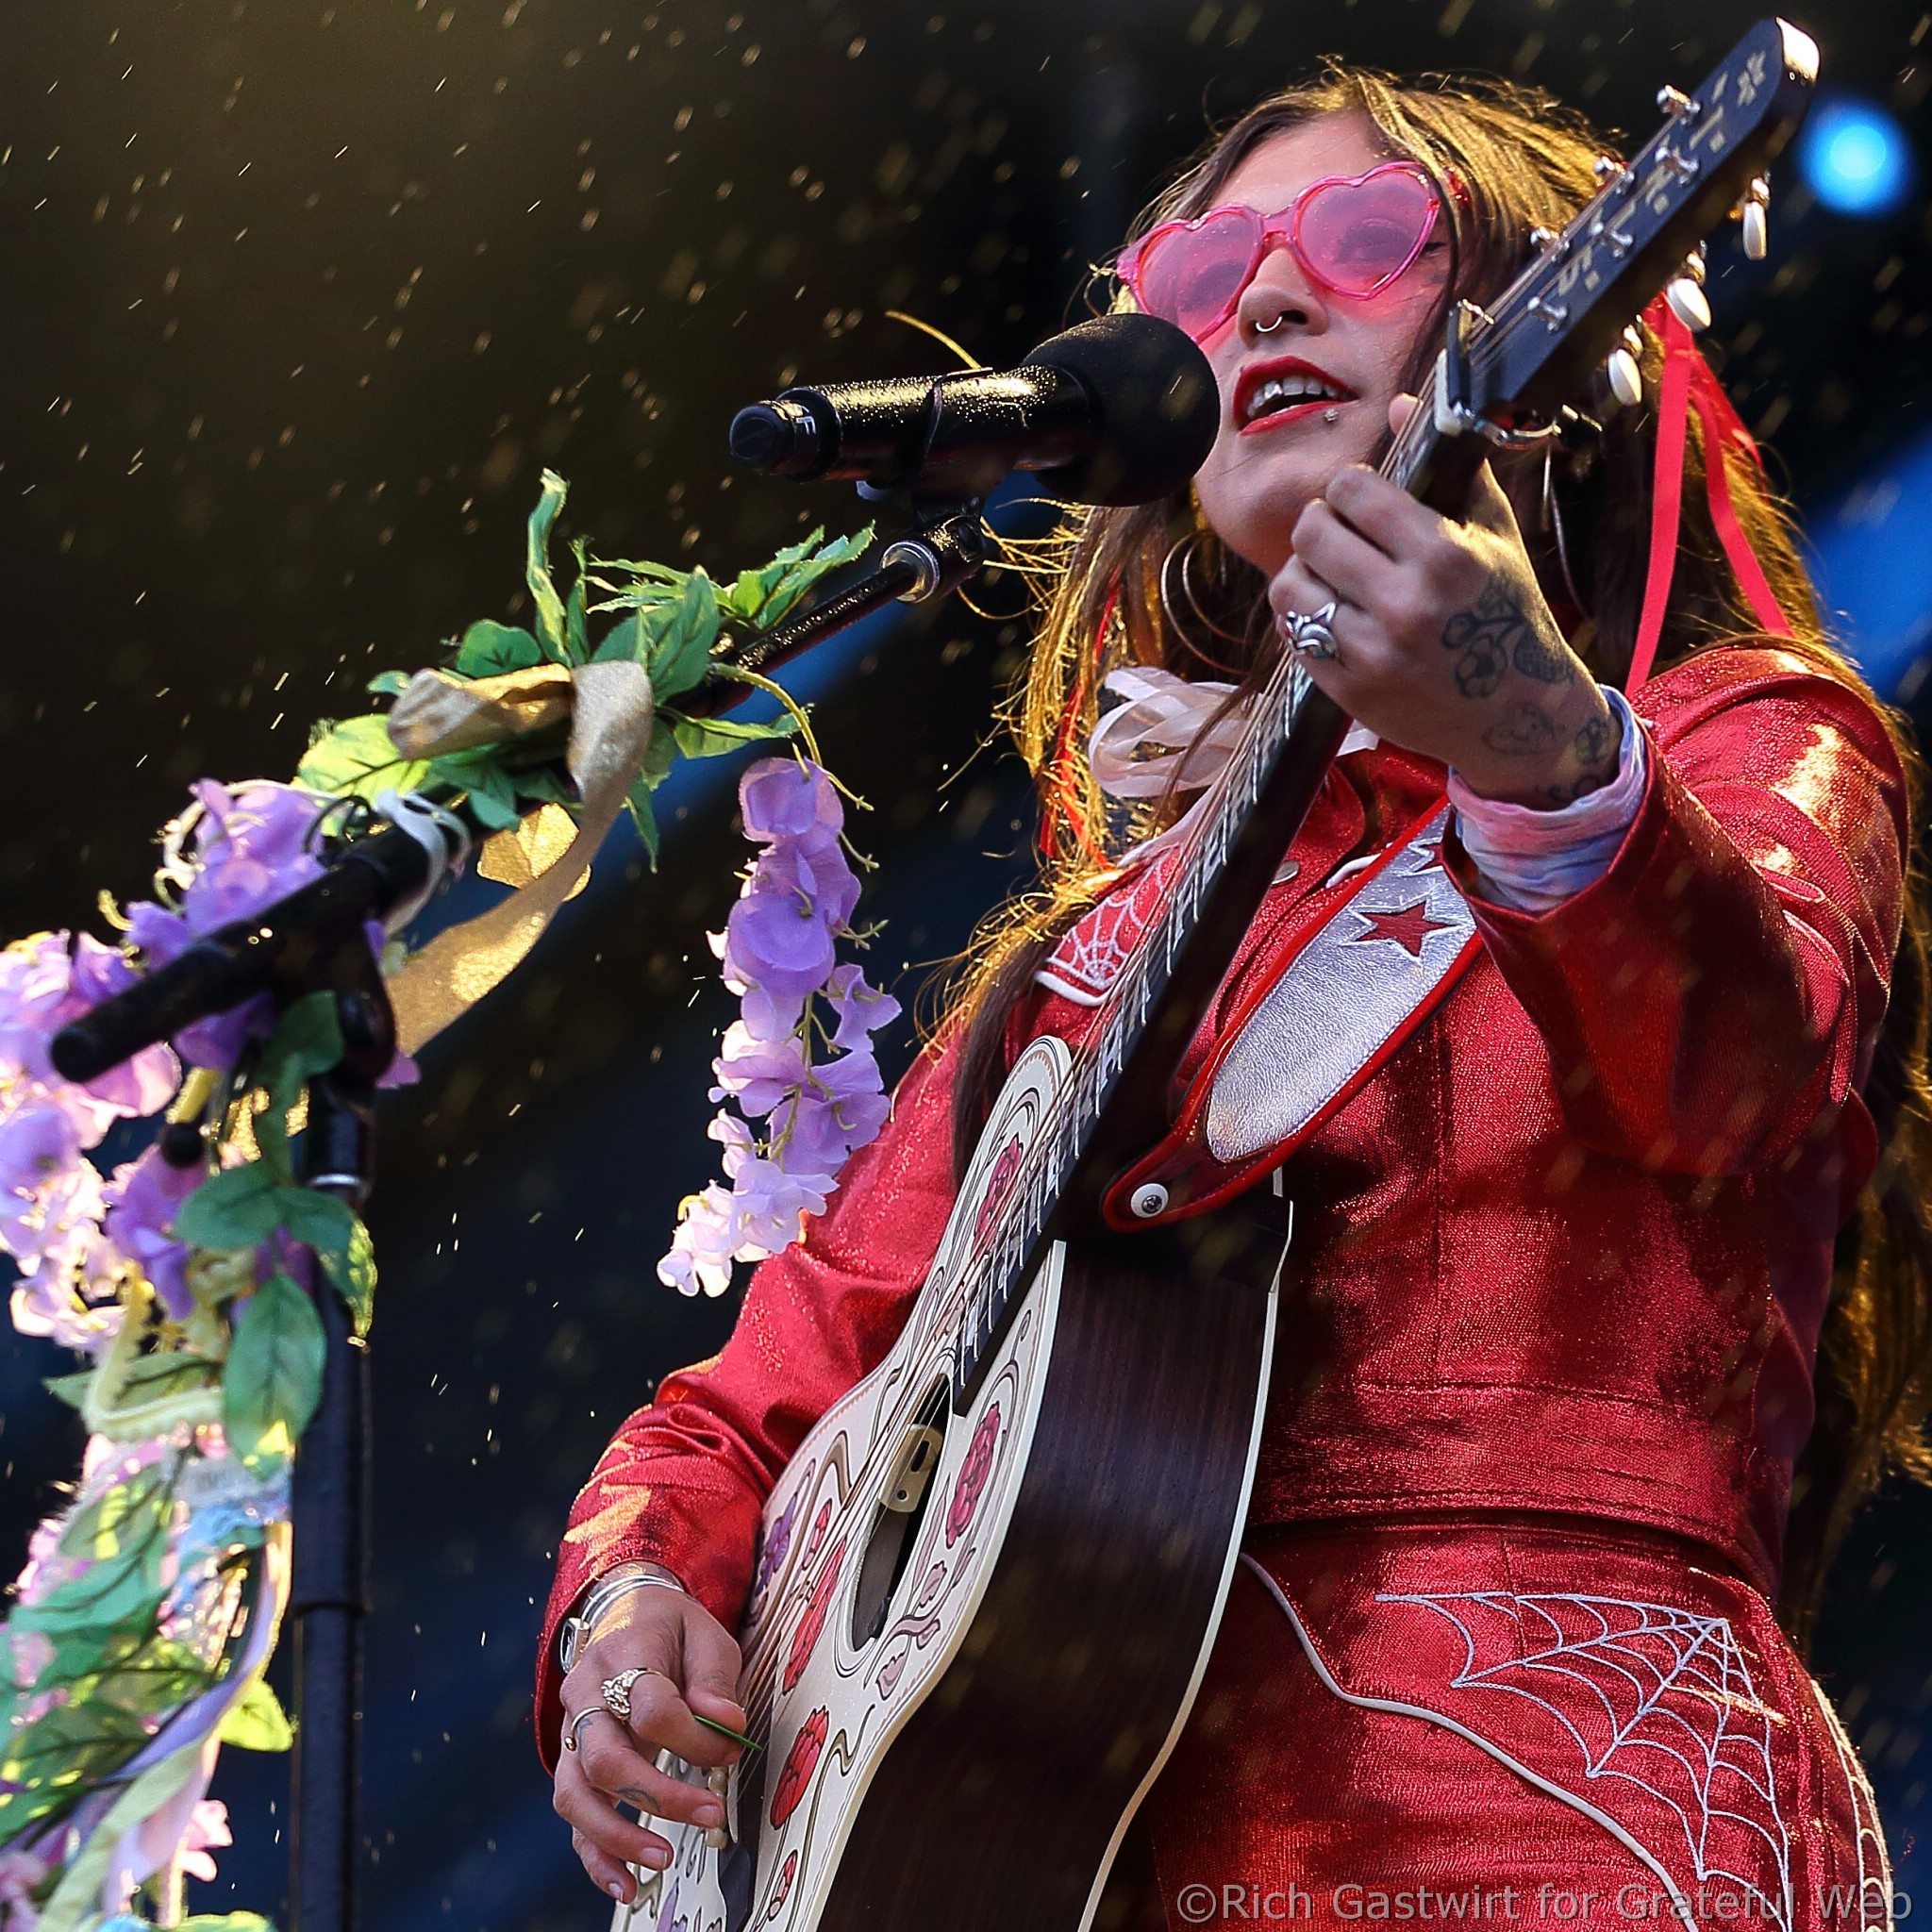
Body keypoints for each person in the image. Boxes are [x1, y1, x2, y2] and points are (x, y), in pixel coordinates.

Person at [536, 64, 1932, 1925]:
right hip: (1081, 1847)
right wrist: (632, 1602)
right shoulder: (1102, 951)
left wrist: (1532, 740)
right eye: (1199, 276)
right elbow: (749, 1407)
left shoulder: (1739, 738)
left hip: (1565, 1818)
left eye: (1363, 237)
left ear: (1542, 323)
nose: (1265, 296)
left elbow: (1737, 1075)